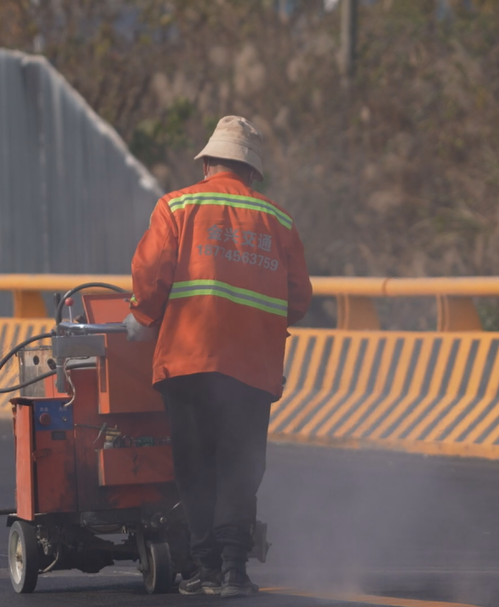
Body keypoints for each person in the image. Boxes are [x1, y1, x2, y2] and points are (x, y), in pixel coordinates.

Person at [124, 116, 312, 598]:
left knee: (195, 464)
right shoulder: (280, 220)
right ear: (252, 171)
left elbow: (152, 273)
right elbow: (298, 299)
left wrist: (142, 317)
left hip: (187, 361)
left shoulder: (177, 206)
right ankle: (234, 572)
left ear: (208, 162)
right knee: (240, 467)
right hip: (251, 369)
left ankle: (203, 567)